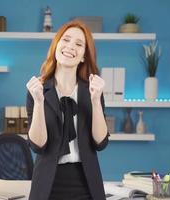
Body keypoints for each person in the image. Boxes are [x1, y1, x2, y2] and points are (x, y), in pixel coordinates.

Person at [26, 20, 109, 200]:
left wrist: (95, 101)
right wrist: (39, 102)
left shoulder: (92, 91)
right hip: (47, 185)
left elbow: (100, 143)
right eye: (66, 40)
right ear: (56, 46)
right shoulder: (38, 90)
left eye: (79, 44)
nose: (70, 47)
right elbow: (37, 145)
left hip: (86, 184)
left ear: (83, 56)